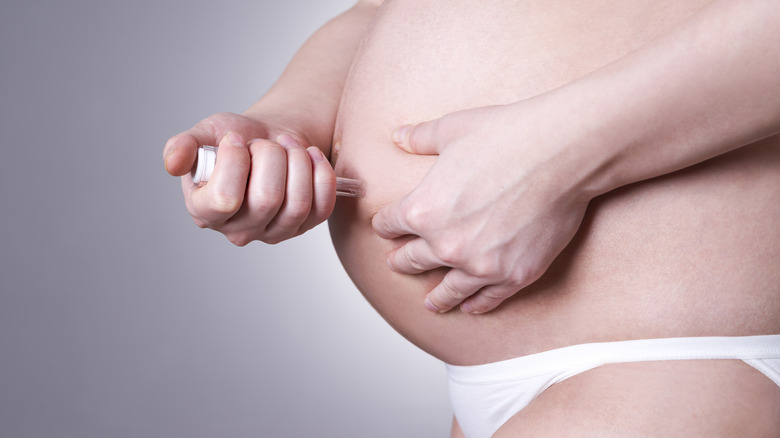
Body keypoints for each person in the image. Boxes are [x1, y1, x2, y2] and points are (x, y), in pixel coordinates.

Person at [164, 0, 780, 436]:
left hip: (681, 360)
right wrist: (290, 122)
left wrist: (561, 159)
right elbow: (377, 11)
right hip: (512, 380)